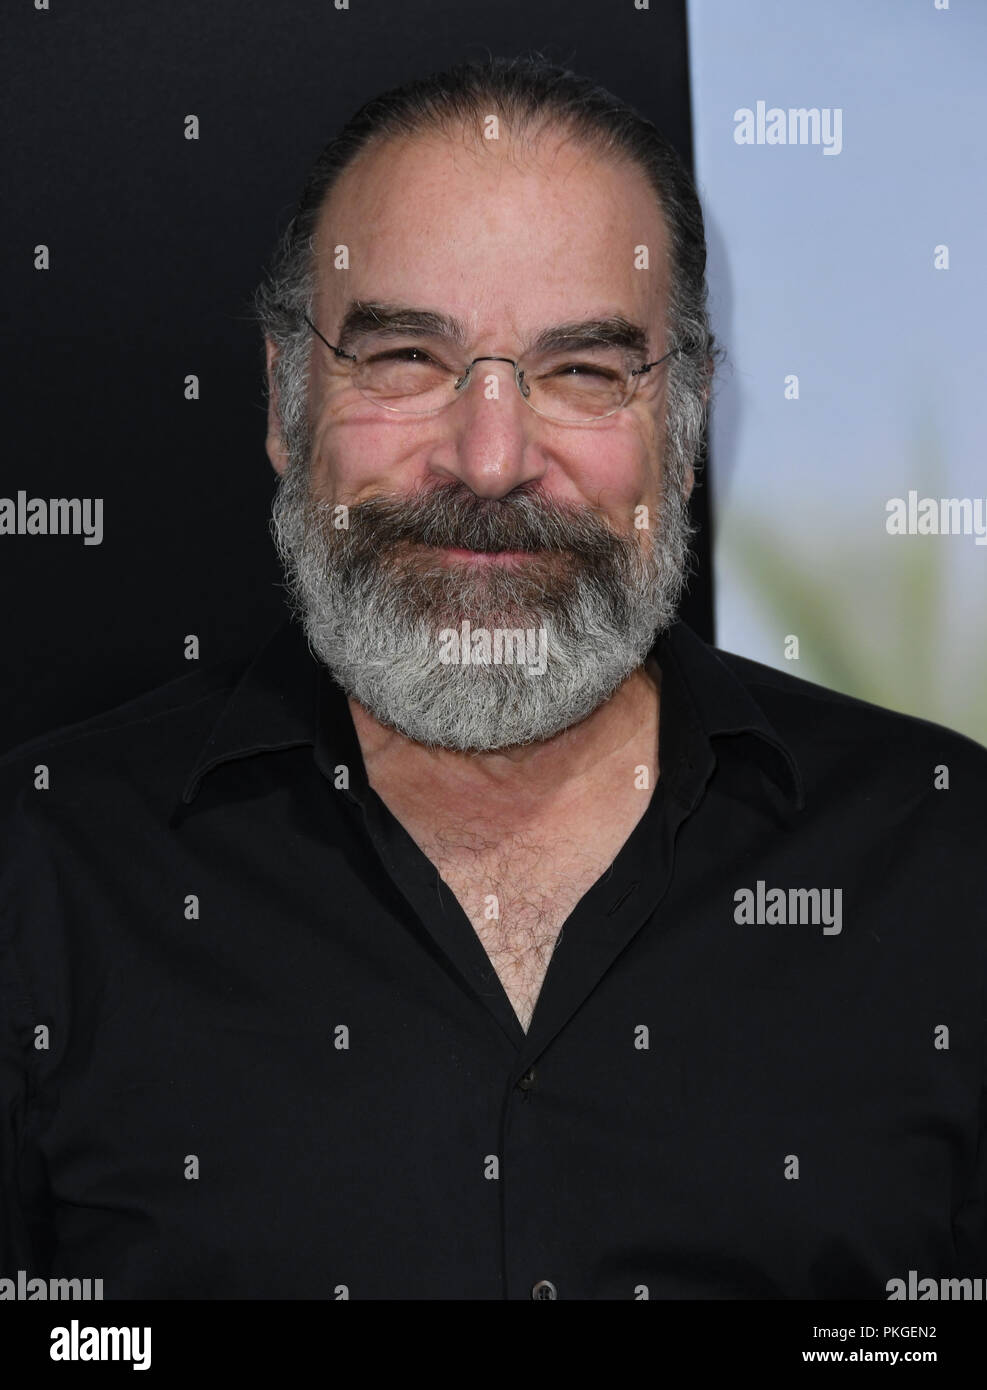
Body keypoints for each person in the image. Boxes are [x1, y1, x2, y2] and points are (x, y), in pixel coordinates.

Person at [1, 56, 984, 1302]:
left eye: (582, 371)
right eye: (408, 356)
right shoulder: (44, 872)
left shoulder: (945, 859)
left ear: (684, 428)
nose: (491, 456)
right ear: (285, 397)